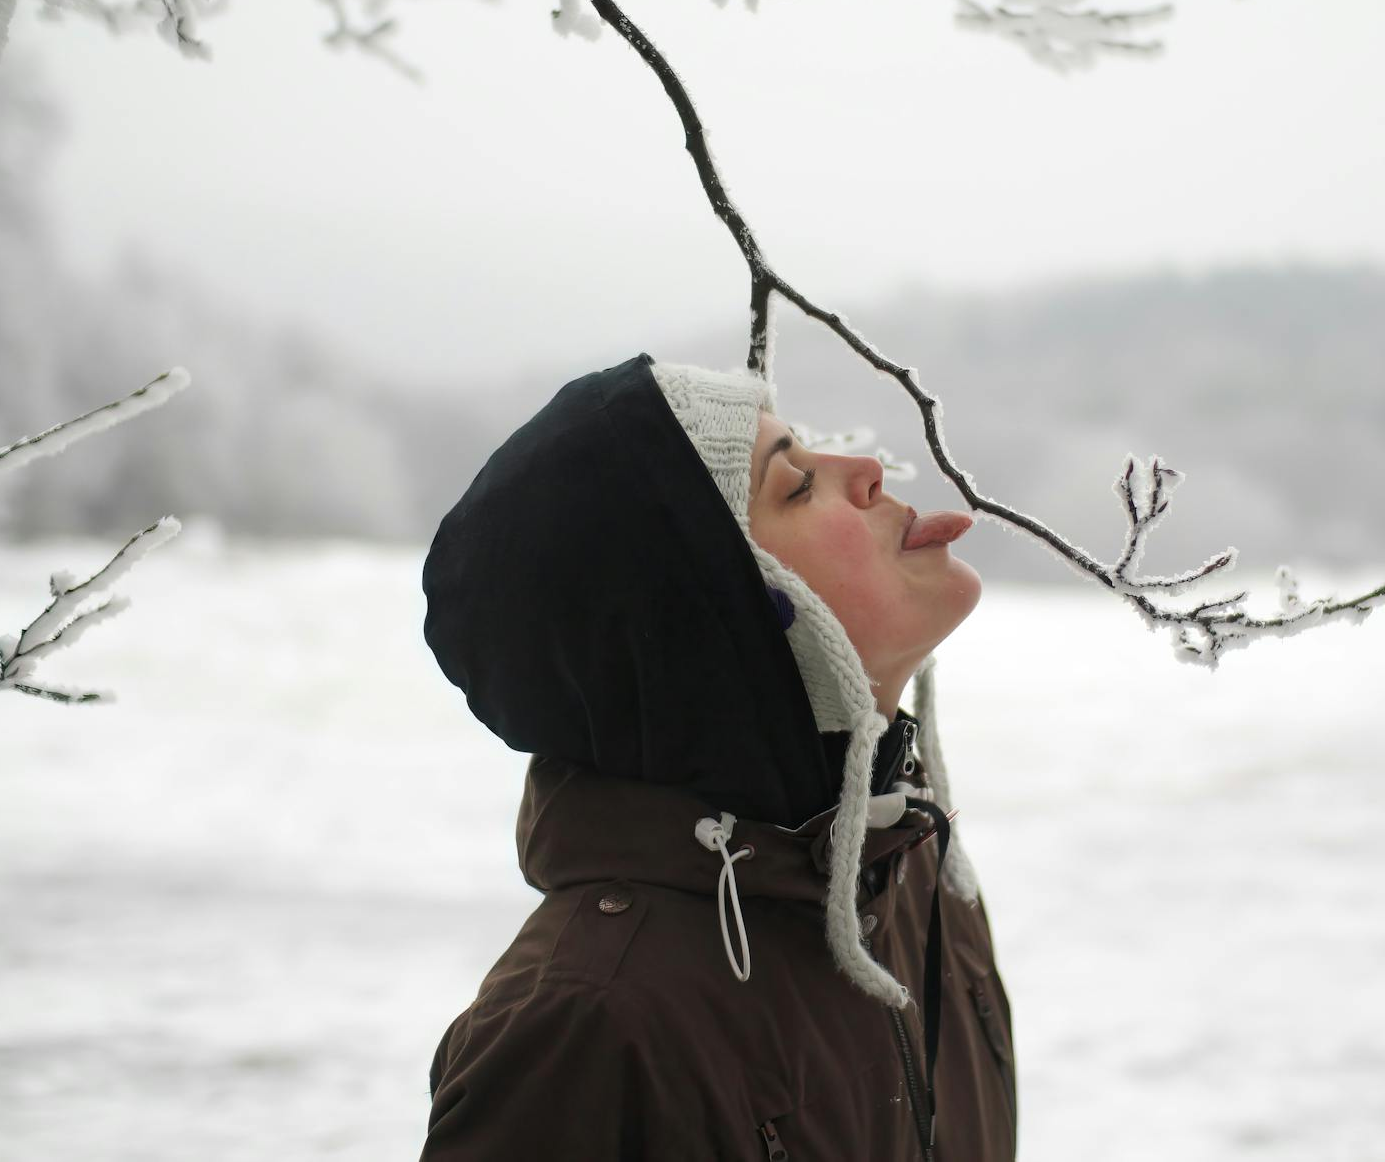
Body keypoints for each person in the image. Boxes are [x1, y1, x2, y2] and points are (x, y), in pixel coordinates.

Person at [417, 353, 1017, 1161]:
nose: (868, 468)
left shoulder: (913, 877)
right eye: (797, 485)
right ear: (714, 627)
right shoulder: (591, 1032)